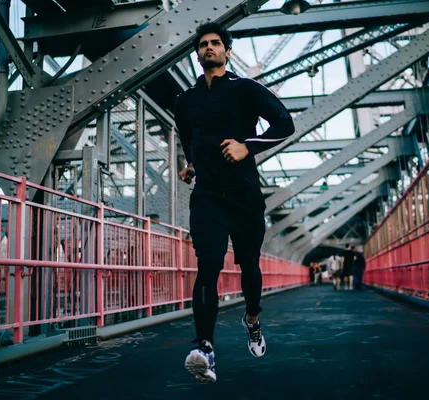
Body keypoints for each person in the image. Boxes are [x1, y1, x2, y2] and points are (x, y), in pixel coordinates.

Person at [175, 22, 295, 383]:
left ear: (227, 51)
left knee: (250, 268)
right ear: (197, 54)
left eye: (215, 43)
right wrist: (191, 165)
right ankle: (204, 347)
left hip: (244, 196)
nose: (208, 48)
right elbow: (188, 137)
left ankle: (253, 319)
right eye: (202, 45)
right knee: (208, 264)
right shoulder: (185, 100)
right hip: (208, 196)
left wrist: (248, 145)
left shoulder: (246, 90)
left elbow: (285, 124)